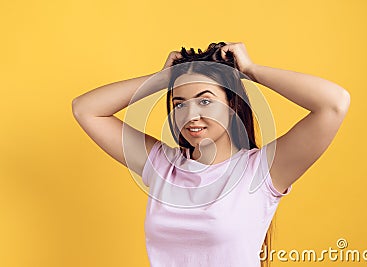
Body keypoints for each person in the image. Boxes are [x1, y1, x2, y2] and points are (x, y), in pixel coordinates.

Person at [72, 42, 350, 267]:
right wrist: (162, 79)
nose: (191, 116)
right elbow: (85, 109)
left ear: (232, 104)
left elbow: (334, 104)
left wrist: (251, 71)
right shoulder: (162, 166)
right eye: (180, 104)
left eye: (205, 100)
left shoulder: (262, 171)